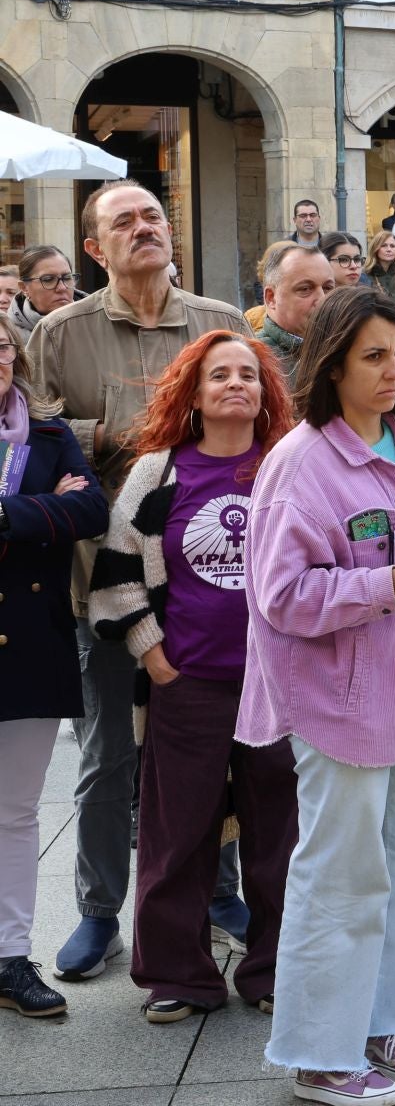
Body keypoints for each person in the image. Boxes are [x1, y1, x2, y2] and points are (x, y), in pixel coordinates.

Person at [236, 287, 395, 1103]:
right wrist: (384, 583)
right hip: (338, 696)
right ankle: (320, 1052)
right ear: (333, 363)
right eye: (372, 357)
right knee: (342, 871)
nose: (392, 371)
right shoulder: (300, 462)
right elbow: (280, 595)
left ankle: (389, 1026)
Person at [25, 180, 251, 983]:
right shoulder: (57, 332)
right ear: (95, 249)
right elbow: (45, 451)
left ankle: (221, 893)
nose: (143, 228)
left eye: (153, 215)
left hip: (212, 582)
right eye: (123, 222)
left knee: (218, 749)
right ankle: (97, 912)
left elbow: (254, 428)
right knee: (108, 758)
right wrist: (126, 436)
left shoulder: (220, 320)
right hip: (108, 582)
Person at [88, 331, 298, 1022]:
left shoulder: (287, 466)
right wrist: (151, 651)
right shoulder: (159, 472)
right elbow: (117, 572)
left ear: (266, 393)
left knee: (282, 836)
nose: (235, 384)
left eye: (248, 374)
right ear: (196, 394)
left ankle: (275, 971)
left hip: (279, 684)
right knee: (177, 835)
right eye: (219, 376)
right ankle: (178, 975)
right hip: (189, 684)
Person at [0, 321, 107, 1019]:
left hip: (30, 640)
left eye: (2, 347)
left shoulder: (45, 431)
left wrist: (9, 517)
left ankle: (10, 958)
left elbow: (91, 508)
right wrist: (47, 511)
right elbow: (62, 510)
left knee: (14, 811)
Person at [257, 240, 338, 377]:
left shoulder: (346, 349)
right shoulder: (253, 362)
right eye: (305, 289)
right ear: (271, 298)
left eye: (328, 288)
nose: (322, 299)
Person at [10, 246, 77, 334]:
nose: (62, 288)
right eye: (48, 279)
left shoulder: (96, 319)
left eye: (67, 278)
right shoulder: (8, 336)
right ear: (24, 287)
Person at [364, 230, 395, 303]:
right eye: (384, 245)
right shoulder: (365, 275)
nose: (389, 249)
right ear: (375, 249)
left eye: (392, 246)